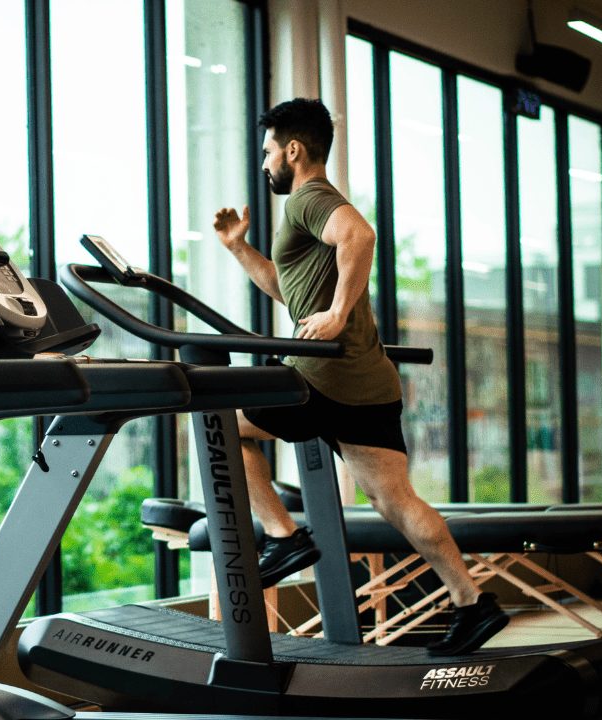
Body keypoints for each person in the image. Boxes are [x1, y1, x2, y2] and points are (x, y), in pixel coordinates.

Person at [213, 97, 508, 656]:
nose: (265, 163)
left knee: (219, 422)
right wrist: (239, 248)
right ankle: (472, 602)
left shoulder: (310, 198)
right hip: (368, 381)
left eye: (268, 151)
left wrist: (337, 315)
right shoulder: (310, 208)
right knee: (395, 499)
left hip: (320, 376)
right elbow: (289, 289)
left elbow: (361, 237)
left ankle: (283, 537)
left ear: (292, 150)